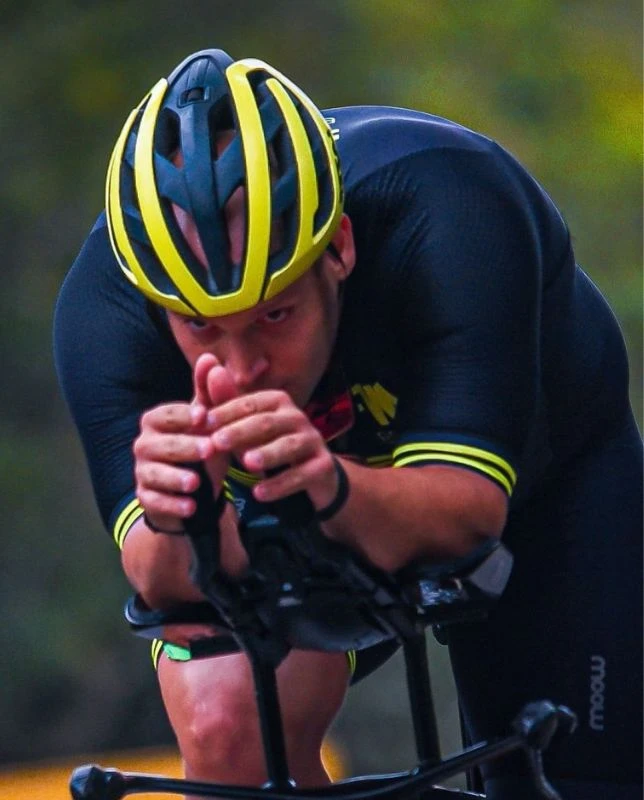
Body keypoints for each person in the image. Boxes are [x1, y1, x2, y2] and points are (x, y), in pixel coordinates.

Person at [54, 48, 642, 799]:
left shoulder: (449, 205)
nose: (241, 367)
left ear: (338, 248)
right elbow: (164, 581)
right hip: (297, 508)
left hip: (541, 481)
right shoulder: (106, 309)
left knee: (568, 782)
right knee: (230, 727)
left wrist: (330, 485)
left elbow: (466, 518)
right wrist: (185, 518)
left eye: (275, 315)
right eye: (202, 328)